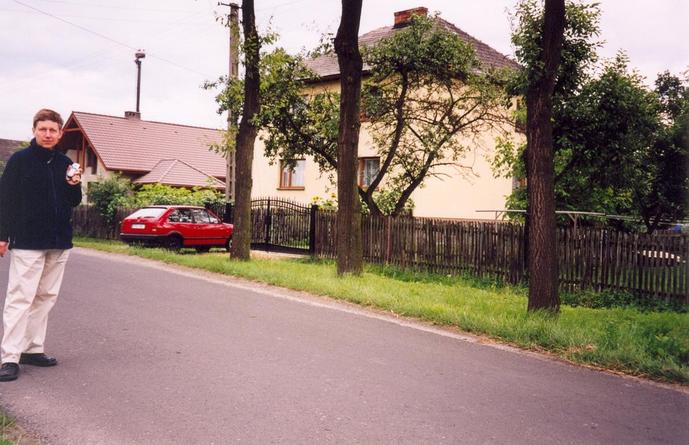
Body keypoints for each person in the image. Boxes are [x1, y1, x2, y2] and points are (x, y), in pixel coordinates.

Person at [0, 109, 82, 382]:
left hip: (59, 242)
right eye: (42, 129)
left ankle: (32, 349)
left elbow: (73, 201)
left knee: (46, 297)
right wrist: (2, 235)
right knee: (20, 298)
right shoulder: (20, 161)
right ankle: (9, 357)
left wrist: (73, 183)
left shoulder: (64, 163)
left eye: (53, 130)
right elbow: (5, 199)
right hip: (27, 241)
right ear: (34, 130)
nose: (48, 134)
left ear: (60, 134)